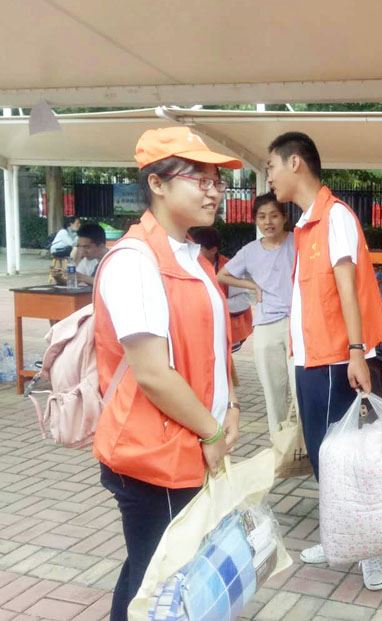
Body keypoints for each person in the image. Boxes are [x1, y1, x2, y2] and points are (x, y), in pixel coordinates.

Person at [92, 126, 242, 620]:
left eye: (217, 180)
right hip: (153, 455)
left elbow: (213, 345)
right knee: (160, 581)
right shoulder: (135, 262)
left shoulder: (192, 256)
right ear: (156, 184)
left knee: (149, 572)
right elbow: (154, 374)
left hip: (185, 443)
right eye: (199, 179)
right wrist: (212, 430)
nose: (214, 191)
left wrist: (231, 404)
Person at [266, 131, 382, 590]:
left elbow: (347, 289)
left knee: (345, 456)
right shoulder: (306, 224)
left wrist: (356, 352)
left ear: (294, 162)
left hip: (336, 359)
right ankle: (340, 537)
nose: (269, 177)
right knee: (325, 456)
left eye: (271, 166)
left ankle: (372, 548)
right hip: (310, 359)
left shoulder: (334, 216)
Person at [216, 193, 299, 438]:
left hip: (298, 324)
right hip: (265, 326)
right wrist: (252, 285)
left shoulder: (298, 241)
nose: (268, 222)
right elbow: (222, 275)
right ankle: (279, 445)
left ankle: (305, 446)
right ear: (255, 220)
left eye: (274, 215)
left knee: (301, 390)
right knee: (273, 393)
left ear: (284, 217)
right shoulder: (249, 251)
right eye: (262, 217)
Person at [191, 226, 255, 357]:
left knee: (221, 358)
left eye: (197, 249)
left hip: (228, 327)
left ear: (213, 250)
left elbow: (243, 301)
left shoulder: (230, 268)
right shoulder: (188, 265)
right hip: (198, 326)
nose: (192, 253)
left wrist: (212, 304)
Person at [48, 217, 81, 284]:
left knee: (78, 250)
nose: (79, 225)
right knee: (76, 249)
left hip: (66, 249)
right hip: (57, 250)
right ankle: (71, 269)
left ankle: (74, 268)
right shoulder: (63, 232)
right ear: (71, 224)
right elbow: (71, 244)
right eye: (77, 223)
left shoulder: (74, 233)